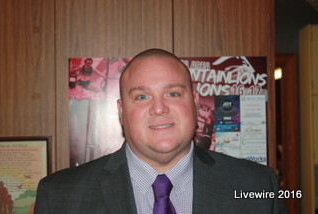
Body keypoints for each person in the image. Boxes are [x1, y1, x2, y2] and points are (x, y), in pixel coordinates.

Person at [34, 49, 287, 214]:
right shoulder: (59, 197)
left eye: (173, 93)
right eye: (142, 96)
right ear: (121, 111)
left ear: (195, 102)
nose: (159, 108)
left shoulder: (259, 186)